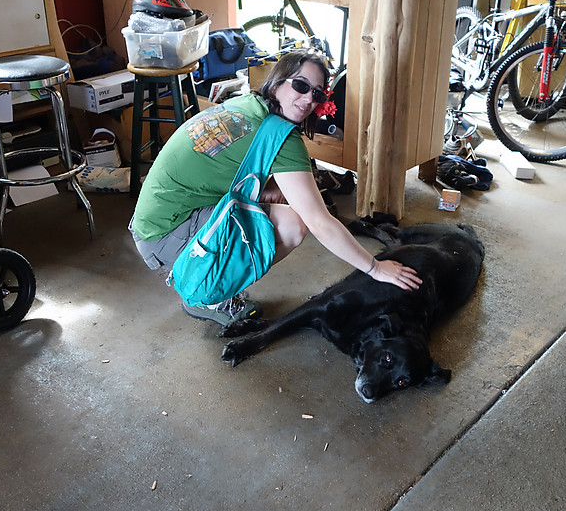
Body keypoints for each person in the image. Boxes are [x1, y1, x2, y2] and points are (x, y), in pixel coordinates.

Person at [129, 50, 422, 326]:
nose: (308, 99)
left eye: (317, 93)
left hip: (153, 224)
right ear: (278, 82)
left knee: (284, 197)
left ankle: (205, 280)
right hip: (166, 236)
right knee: (292, 225)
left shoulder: (248, 106)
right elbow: (320, 223)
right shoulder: (282, 138)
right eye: (301, 86)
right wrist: (375, 268)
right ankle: (208, 295)